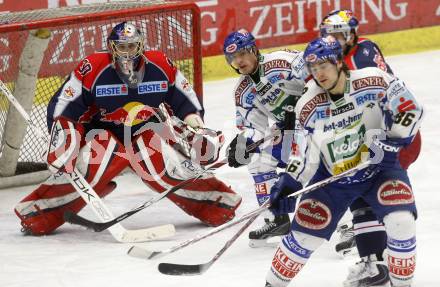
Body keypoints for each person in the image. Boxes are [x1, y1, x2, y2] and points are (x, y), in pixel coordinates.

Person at [14, 22, 242, 236]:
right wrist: (64, 137)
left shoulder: (160, 64)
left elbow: (186, 99)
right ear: (111, 47)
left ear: (141, 45)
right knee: (90, 168)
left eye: (131, 46)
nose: (127, 52)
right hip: (100, 134)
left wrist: (196, 125)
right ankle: (39, 214)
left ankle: (218, 204)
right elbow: (64, 104)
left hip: (147, 131)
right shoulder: (92, 67)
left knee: (163, 165)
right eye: (121, 46)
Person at [265, 35, 423, 287]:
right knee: (304, 239)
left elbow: (411, 108)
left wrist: (393, 141)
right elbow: (301, 151)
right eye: (313, 69)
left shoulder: (374, 79)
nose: (319, 74)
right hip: (332, 179)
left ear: (339, 62)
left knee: (402, 222)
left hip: (380, 170)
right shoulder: (308, 103)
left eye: (323, 66)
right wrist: (289, 181)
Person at [319, 9, 422, 286]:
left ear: (351, 34)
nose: (334, 40)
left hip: (392, 138)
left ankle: (377, 261)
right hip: (386, 135)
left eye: (339, 35)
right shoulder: (363, 47)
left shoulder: (358, 60)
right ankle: (375, 258)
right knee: (363, 196)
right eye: (329, 35)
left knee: (368, 194)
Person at [222, 29, 308, 247]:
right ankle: (276, 219)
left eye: (242, 54)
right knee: (258, 160)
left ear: (253, 49)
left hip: (321, 124)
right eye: (233, 58)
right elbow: (254, 127)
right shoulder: (242, 91)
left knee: (322, 168)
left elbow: (320, 77)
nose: (238, 61)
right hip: (292, 131)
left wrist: (301, 109)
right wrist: (243, 143)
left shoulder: (283, 62)